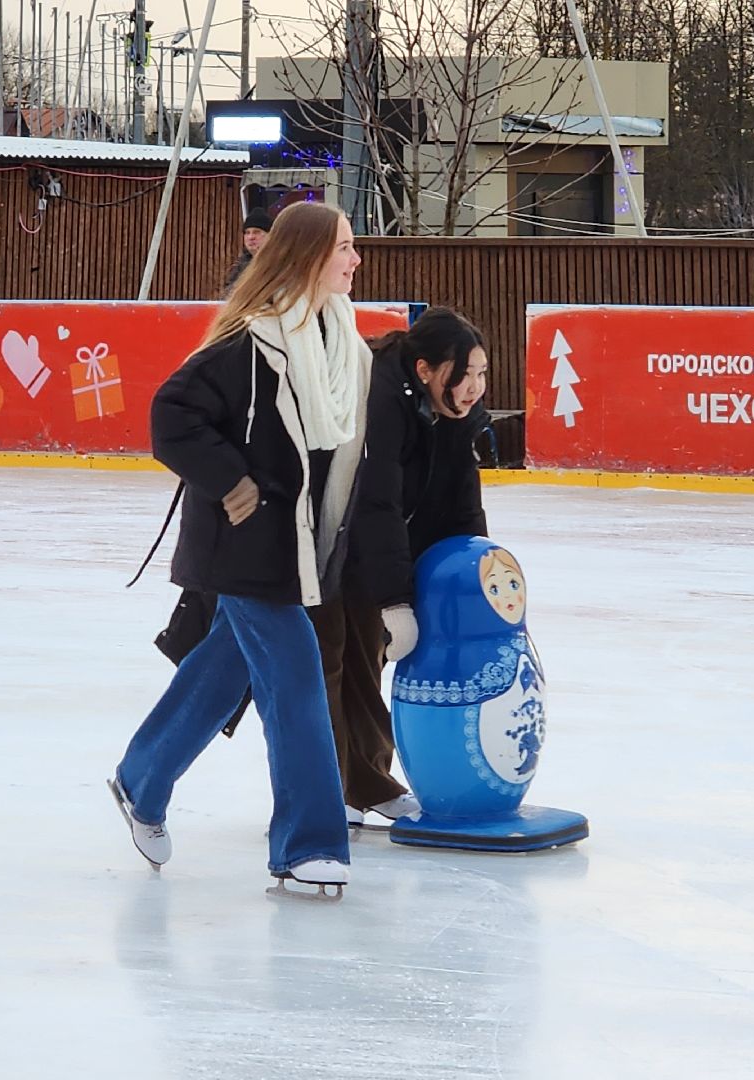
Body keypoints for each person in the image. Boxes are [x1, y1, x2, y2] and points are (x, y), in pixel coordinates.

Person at [111, 201, 369, 895]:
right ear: (308, 257)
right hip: (246, 544)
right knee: (297, 677)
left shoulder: (342, 345)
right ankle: (308, 843)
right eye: (344, 247)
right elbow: (172, 415)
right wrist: (232, 480)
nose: (355, 259)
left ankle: (141, 778)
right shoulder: (250, 344)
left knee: (222, 673)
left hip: (298, 548)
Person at [320, 307, 492, 828]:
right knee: (336, 664)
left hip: (375, 543)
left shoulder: (455, 410)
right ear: (425, 370)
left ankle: (366, 783)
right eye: (465, 373)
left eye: (482, 373)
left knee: (366, 661)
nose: (475, 387)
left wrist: (476, 571)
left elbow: (462, 499)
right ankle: (331, 791)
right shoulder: (383, 397)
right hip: (332, 539)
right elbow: (379, 500)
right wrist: (394, 599)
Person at [221, 207, 273, 294]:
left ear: (270, 235)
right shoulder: (240, 267)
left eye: (257, 232)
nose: (251, 237)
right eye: (247, 233)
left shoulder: (279, 264)